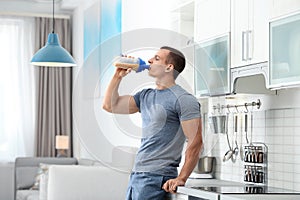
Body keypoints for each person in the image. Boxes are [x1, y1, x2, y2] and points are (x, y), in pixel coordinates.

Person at [102, 46, 203, 200]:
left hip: (157, 177)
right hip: (138, 174)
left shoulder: (184, 100)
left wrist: (181, 178)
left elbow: (195, 142)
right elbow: (110, 105)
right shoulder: (146, 95)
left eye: (156, 58)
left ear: (169, 67)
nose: (149, 60)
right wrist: (118, 76)